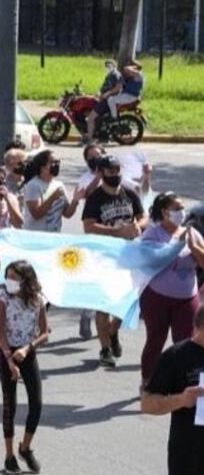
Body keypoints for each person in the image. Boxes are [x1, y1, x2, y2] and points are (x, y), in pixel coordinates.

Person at [82, 154, 147, 367]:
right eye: (111, 171)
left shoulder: (128, 193)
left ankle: (113, 332)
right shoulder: (95, 198)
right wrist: (117, 231)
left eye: (118, 170)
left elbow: (142, 215)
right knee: (103, 305)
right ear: (101, 173)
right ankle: (104, 349)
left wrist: (138, 225)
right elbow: (89, 226)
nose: (115, 174)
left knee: (126, 302)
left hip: (128, 259)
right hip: (104, 259)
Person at [139, 193, 204, 389]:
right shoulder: (153, 234)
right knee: (155, 340)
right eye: (176, 209)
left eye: (182, 208)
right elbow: (149, 261)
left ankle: (184, 384)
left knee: (185, 343)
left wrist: (192, 247)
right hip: (158, 298)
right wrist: (175, 246)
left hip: (186, 299)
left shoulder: (193, 233)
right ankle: (148, 382)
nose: (180, 212)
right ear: (164, 212)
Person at [141, 305, 204, 475]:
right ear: (200, 327)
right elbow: (147, 403)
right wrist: (181, 400)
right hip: (188, 460)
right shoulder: (177, 357)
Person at [0, 261, 49, 475]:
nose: (10, 281)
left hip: (27, 352)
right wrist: (9, 359)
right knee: (10, 404)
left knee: (36, 402)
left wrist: (28, 348)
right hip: (8, 353)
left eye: (14, 277)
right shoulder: (2, 298)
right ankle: (9, 455)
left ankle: (25, 447)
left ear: (26, 279)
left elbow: (44, 333)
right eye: (7, 276)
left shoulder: (38, 300)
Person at [22, 150, 82, 233]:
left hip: (54, 236)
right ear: (42, 167)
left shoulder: (59, 185)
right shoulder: (33, 186)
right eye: (53, 162)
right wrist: (52, 198)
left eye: (58, 162)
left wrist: (75, 200)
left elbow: (67, 214)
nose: (56, 165)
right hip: (36, 237)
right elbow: (36, 214)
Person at [85, 59, 124, 141]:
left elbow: (118, 87)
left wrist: (108, 93)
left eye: (109, 66)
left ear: (114, 66)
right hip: (103, 99)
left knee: (91, 118)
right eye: (106, 66)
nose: (107, 68)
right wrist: (99, 93)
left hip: (107, 101)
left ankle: (89, 138)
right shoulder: (109, 75)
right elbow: (104, 87)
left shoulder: (116, 75)